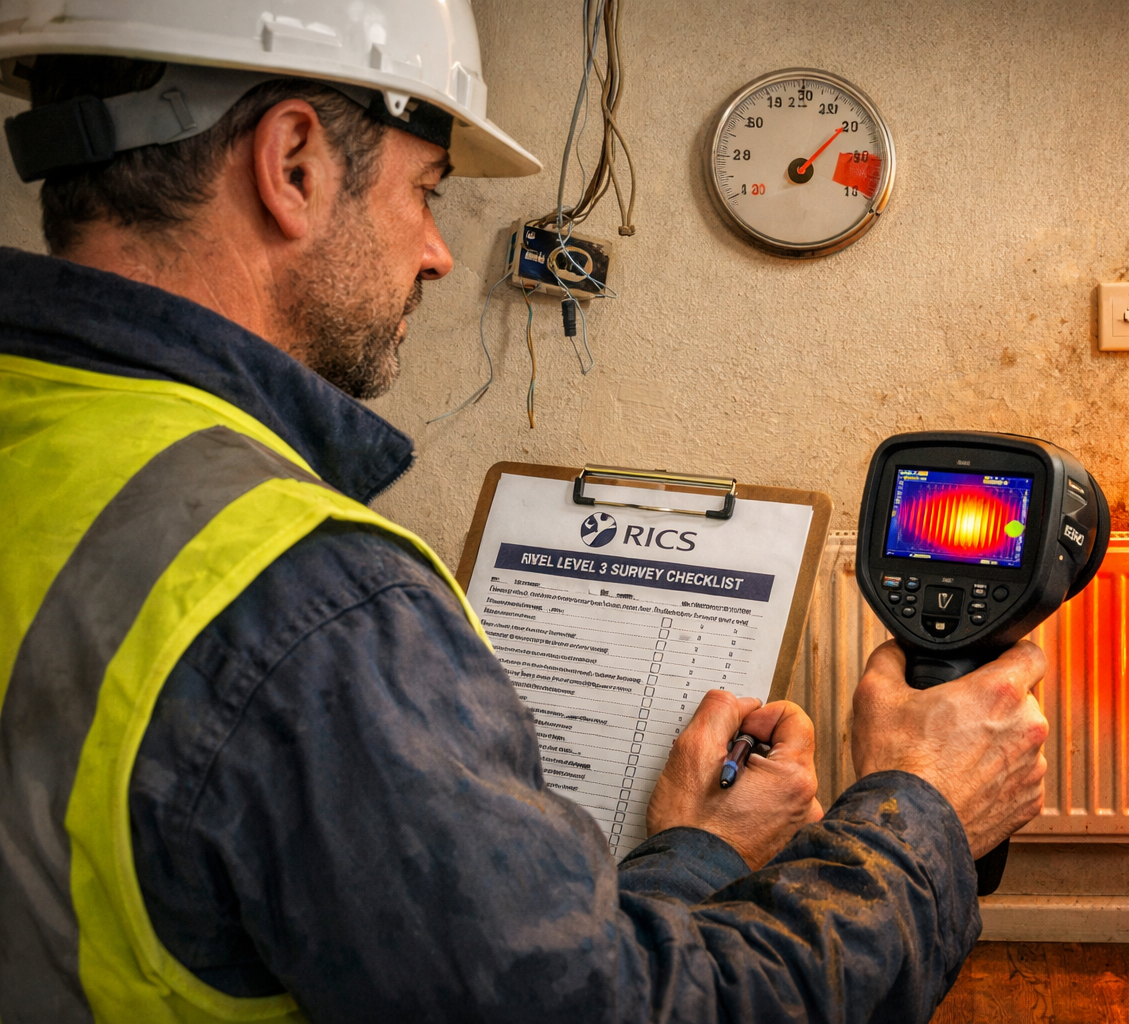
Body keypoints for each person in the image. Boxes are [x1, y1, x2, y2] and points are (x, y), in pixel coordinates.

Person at [0, 3, 1052, 1021]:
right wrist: (924, 810)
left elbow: (474, 973)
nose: (438, 252)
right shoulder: (308, 605)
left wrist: (695, 857)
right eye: (429, 193)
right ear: (294, 165)